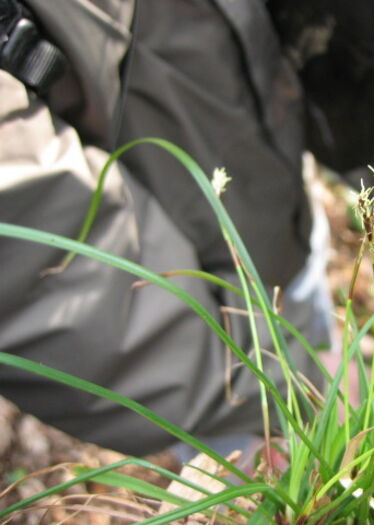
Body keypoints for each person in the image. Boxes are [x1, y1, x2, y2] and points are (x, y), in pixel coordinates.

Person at [0, 0, 332, 458]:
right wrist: (302, 386)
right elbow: (42, 269)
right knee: (258, 463)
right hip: (220, 335)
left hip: (275, 203)